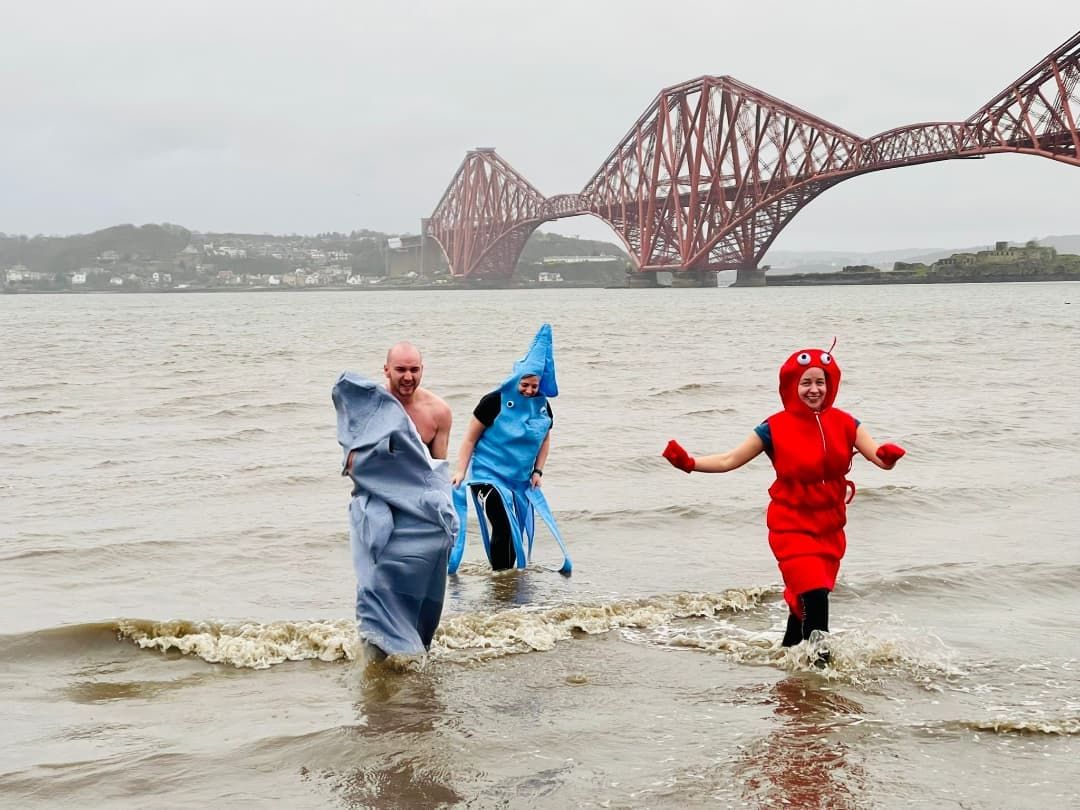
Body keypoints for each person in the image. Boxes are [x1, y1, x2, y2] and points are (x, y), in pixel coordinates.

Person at [662, 345, 906, 662]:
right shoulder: (773, 428)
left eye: (820, 382)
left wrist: (887, 458)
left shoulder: (847, 423)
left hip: (830, 527)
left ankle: (788, 663)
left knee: (806, 600)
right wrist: (690, 462)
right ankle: (821, 675)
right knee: (815, 596)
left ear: (830, 384)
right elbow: (728, 459)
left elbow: (877, 455)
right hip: (790, 525)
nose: (814, 389)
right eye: (806, 382)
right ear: (792, 384)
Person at [332, 343, 457, 662]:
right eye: (400, 369)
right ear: (385, 370)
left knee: (420, 592)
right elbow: (353, 463)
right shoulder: (369, 408)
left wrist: (449, 520)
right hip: (376, 507)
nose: (407, 377)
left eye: (414, 369)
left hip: (420, 516)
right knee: (373, 583)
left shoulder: (438, 412)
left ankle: (409, 653)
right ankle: (375, 652)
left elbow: (436, 473)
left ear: (422, 370)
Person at [448, 323, 571, 575]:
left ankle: (506, 583)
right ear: (516, 379)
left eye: (534, 386)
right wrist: (461, 472)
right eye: (524, 384)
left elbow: (545, 440)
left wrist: (538, 471)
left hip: (518, 481)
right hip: (487, 477)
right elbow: (470, 439)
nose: (528, 390)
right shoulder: (493, 401)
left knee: (513, 532)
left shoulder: (542, 407)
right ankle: (501, 577)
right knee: (503, 526)